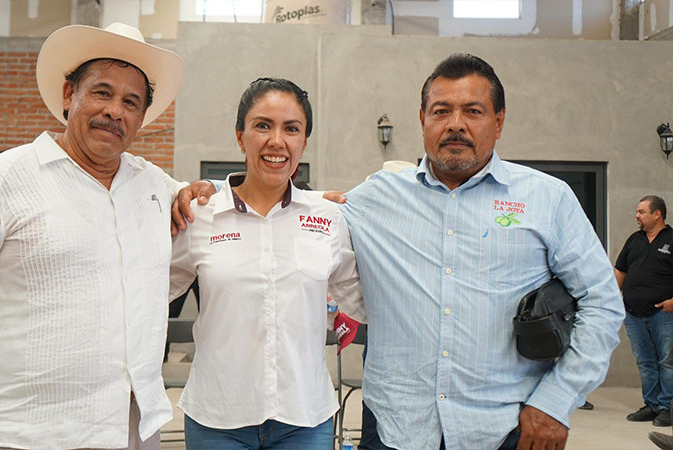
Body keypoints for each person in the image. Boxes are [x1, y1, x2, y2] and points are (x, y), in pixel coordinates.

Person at [176, 53, 625, 450]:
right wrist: (216, 193)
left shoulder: (548, 199)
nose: (456, 124)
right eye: (441, 111)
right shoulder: (376, 197)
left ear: (499, 120)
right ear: (422, 119)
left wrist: (556, 400)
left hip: (504, 427)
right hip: (396, 430)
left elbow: (603, 304)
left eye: (473, 111)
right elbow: (283, 203)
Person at [0, 22, 207, 450]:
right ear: (70, 95)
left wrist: (327, 204)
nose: (115, 111)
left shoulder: (154, 187)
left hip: (132, 431)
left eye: (131, 101)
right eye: (102, 92)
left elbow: (208, 228)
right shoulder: (1, 181)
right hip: (26, 432)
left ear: (143, 117)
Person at [168, 77, 363, 449]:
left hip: (304, 419)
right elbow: (150, 293)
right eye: (263, 126)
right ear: (240, 136)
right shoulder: (200, 216)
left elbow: (362, 300)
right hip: (217, 417)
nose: (277, 141)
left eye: (292, 129)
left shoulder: (329, 218)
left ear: (304, 141)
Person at [615, 195, 673, 428]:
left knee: (667, 361)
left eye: (641, 212)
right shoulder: (634, 240)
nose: (637, 216)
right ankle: (651, 405)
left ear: (657, 213)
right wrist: (610, 299)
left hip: (663, 314)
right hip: (633, 313)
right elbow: (620, 271)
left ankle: (666, 408)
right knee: (645, 361)